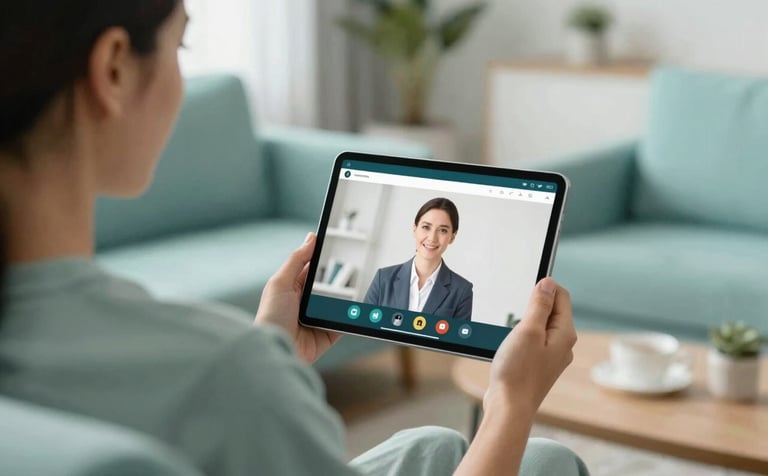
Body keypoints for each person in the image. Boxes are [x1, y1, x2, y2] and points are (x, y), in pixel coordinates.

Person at [0, 2, 589, 475]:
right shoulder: (228, 373)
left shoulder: (230, 370)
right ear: (114, 69)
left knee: (433, 444)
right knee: (546, 461)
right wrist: (511, 403)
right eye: (181, 45)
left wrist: (268, 351)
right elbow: (223, 388)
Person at [364, 197, 474, 320]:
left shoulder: (462, 290)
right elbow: (363, 327)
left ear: (452, 237)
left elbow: (457, 338)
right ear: (415, 229)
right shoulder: (383, 278)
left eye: (442, 230)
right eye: (426, 227)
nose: (432, 238)